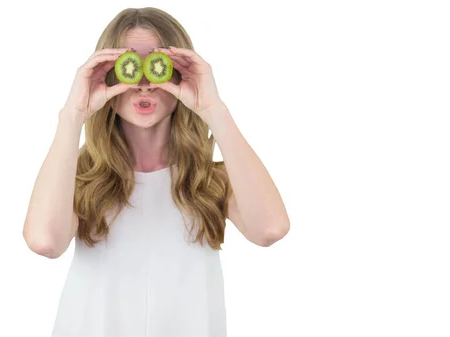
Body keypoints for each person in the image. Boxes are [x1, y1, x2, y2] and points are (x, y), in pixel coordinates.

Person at [22, 7, 290, 337]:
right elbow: (44, 241)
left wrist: (214, 110)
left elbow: (271, 229)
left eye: (158, 67)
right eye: (129, 68)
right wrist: (71, 116)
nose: (145, 84)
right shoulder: (79, 175)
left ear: (181, 73)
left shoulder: (209, 178)